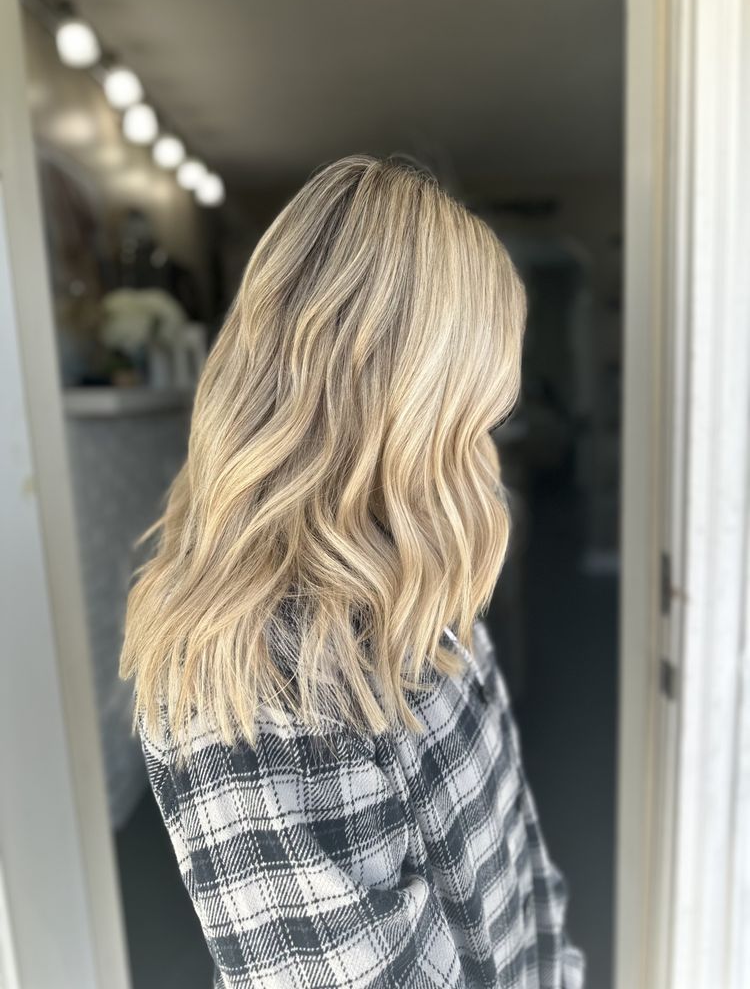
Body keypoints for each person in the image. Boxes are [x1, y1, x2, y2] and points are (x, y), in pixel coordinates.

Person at [119, 154, 585, 988]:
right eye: (473, 416)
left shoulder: (416, 568)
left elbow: (516, 853)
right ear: (395, 402)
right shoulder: (262, 690)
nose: (488, 443)